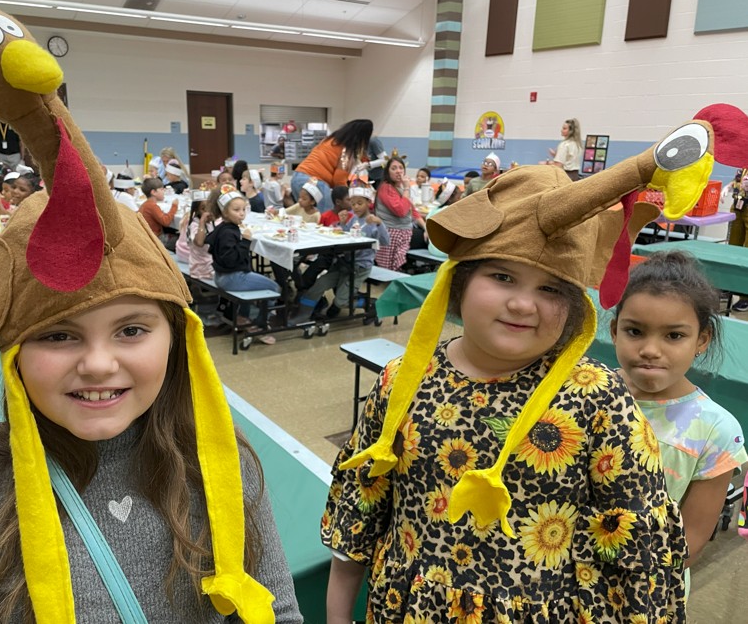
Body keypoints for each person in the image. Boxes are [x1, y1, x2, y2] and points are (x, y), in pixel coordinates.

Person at [0, 0, 301, 620]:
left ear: (178, 336)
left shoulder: (222, 470)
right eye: (59, 336)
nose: (100, 364)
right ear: (13, 351)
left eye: (132, 329)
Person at [320, 131, 710, 620]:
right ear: (460, 280)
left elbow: (641, 552)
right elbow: (359, 512)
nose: (523, 304)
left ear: (572, 308)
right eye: (502, 276)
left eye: (550, 289)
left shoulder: (597, 399)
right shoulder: (404, 379)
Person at [610, 251, 747, 581]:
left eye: (674, 336)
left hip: (645, 588)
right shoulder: (591, 395)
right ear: (614, 331)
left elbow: (691, 541)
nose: (651, 350)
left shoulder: (715, 430)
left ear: (702, 340)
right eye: (635, 331)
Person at [294, 178, 388, 322]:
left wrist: (380, 224)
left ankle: (372, 304)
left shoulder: (373, 221)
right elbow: (347, 236)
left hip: (359, 267)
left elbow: (386, 241)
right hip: (343, 263)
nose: (355, 207)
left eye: (360, 203)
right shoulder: (354, 219)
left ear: (369, 203)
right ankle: (302, 316)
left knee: (341, 302)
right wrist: (343, 224)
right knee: (317, 287)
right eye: (353, 203)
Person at [204, 186, 280, 344]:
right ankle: (259, 326)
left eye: (244, 210)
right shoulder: (228, 233)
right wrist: (245, 241)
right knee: (274, 287)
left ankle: (244, 317)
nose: (241, 213)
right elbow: (231, 260)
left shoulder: (223, 228)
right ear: (225, 212)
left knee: (254, 277)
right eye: (236, 210)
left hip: (221, 276)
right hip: (231, 277)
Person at [291, 119, 373, 214]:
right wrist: (346, 195)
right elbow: (339, 179)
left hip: (297, 177)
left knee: (305, 216)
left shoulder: (329, 140)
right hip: (316, 181)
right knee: (326, 218)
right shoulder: (346, 151)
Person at [374, 155, 424, 271]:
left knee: (429, 236)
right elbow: (401, 211)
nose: (398, 171)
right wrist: (407, 188)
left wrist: (427, 229)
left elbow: (413, 212)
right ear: (387, 172)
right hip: (393, 232)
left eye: (401, 168)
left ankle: (410, 268)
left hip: (404, 230)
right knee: (425, 240)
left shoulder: (399, 187)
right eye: (394, 168)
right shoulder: (386, 188)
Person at [724, 168, 748, 311]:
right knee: (732, 251)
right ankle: (729, 287)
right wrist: (729, 186)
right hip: (739, 208)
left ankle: (745, 296)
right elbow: (737, 181)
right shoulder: (742, 163)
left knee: (746, 254)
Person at [184, 189, 218, 281]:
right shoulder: (195, 224)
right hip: (201, 269)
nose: (208, 211)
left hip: (210, 264)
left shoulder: (211, 223)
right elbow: (199, 242)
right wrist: (202, 221)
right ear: (197, 210)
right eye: (203, 209)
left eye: (211, 208)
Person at [138, 177, 178, 250]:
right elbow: (166, 221)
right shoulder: (152, 206)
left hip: (147, 237)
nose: (164, 192)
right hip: (155, 239)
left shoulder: (145, 204)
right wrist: (174, 206)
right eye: (161, 189)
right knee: (180, 240)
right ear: (153, 192)